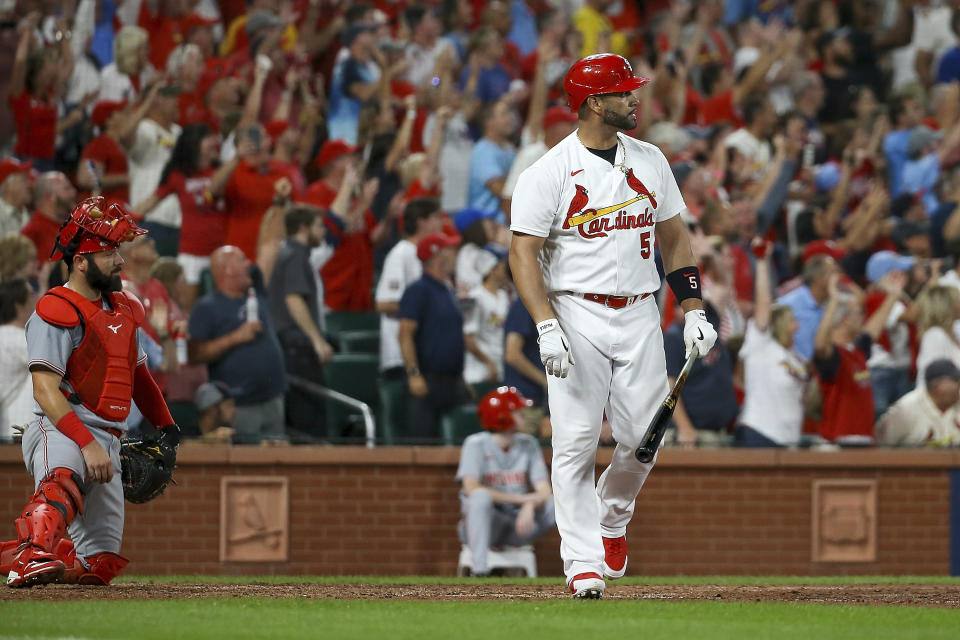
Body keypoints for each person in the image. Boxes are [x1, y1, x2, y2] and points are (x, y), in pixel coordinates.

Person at [508, 54, 717, 598]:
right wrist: (545, 324)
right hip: (576, 310)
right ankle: (582, 563)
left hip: (641, 309)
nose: (635, 99)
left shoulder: (650, 160)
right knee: (574, 441)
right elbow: (522, 254)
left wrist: (693, 307)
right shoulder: (548, 171)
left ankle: (614, 515)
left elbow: (674, 236)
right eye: (624, 92)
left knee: (643, 438)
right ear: (593, 103)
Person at [0, 197, 179, 588]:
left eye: (118, 250)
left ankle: (25, 554)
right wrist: (86, 444)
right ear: (80, 261)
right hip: (63, 427)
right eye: (109, 252)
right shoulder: (55, 308)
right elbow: (46, 391)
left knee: (98, 565)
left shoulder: (124, 309)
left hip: (109, 437)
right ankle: (29, 555)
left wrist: (168, 427)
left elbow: (139, 376)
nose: (120, 261)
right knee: (59, 484)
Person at [188, 246, 287, 445]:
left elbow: (271, 243)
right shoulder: (206, 307)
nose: (248, 264)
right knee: (247, 466)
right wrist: (236, 337)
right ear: (228, 269)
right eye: (242, 260)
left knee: (277, 463)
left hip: (274, 398)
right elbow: (195, 355)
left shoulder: (255, 294)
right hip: (239, 406)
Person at [455, 386, 556, 577]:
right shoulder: (475, 444)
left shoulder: (528, 443)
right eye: (518, 412)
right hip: (487, 524)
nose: (524, 415)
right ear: (502, 416)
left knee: (554, 504)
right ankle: (480, 570)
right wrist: (523, 500)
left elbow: (544, 491)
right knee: (480, 497)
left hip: (518, 525)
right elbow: (471, 488)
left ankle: (580, 566)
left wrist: (530, 504)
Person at [812, 272, 905, 445]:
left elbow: (873, 330)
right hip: (839, 440)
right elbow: (819, 346)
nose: (863, 317)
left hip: (863, 438)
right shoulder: (834, 356)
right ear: (844, 320)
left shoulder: (856, 352)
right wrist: (834, 300)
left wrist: (893, 296)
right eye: (858, 314)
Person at [267, 206, 333, 440]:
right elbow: (294, 299)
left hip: (286, 346)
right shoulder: (296, 255)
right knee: (310, 424)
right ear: (304, 228)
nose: (323, 232)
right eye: (319, 226)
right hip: (296, 347)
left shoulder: (287, 254)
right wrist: (318, 341)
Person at [735, 240, 809, 447]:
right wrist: (762, 262)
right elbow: (764, 304)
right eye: (792, 320)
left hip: (789, 439)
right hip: (760, 434)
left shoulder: (795, 357)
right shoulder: (761, 343)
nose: (797, 325)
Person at [398, 232, 471, 442]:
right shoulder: (418, 290)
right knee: (424, 445)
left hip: (451, 381)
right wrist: (413, 373)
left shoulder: (446, 291)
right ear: (437, 256)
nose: (456, 254)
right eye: (450, 250)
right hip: (428, 381)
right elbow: (404, 334)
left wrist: (462, 379)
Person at [375, 198, 445, 379]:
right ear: (421, 222)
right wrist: (427, 310)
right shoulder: (401, 253)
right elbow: (383, 304)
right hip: (399, 356)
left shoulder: (430, 256)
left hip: (422, 349)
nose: (442, 222)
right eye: (437, 217)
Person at [463, 251, 510, 385]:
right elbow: (467, 336)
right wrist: (488, 362)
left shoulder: (504, 295)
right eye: (500, 265)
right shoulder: (475, 297)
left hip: (500, 365)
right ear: (491, 270)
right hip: (480, 370)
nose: (505, 268)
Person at [0, 278, 36, 442]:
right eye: (31, 294)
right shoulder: (20, 340)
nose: (36, 297)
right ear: (19, 305)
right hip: (16, 429)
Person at [20, 172, 78, 264]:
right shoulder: (31, 233)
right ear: (49, 198)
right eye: (67, 189)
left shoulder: (76, 223)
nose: (74, 192)